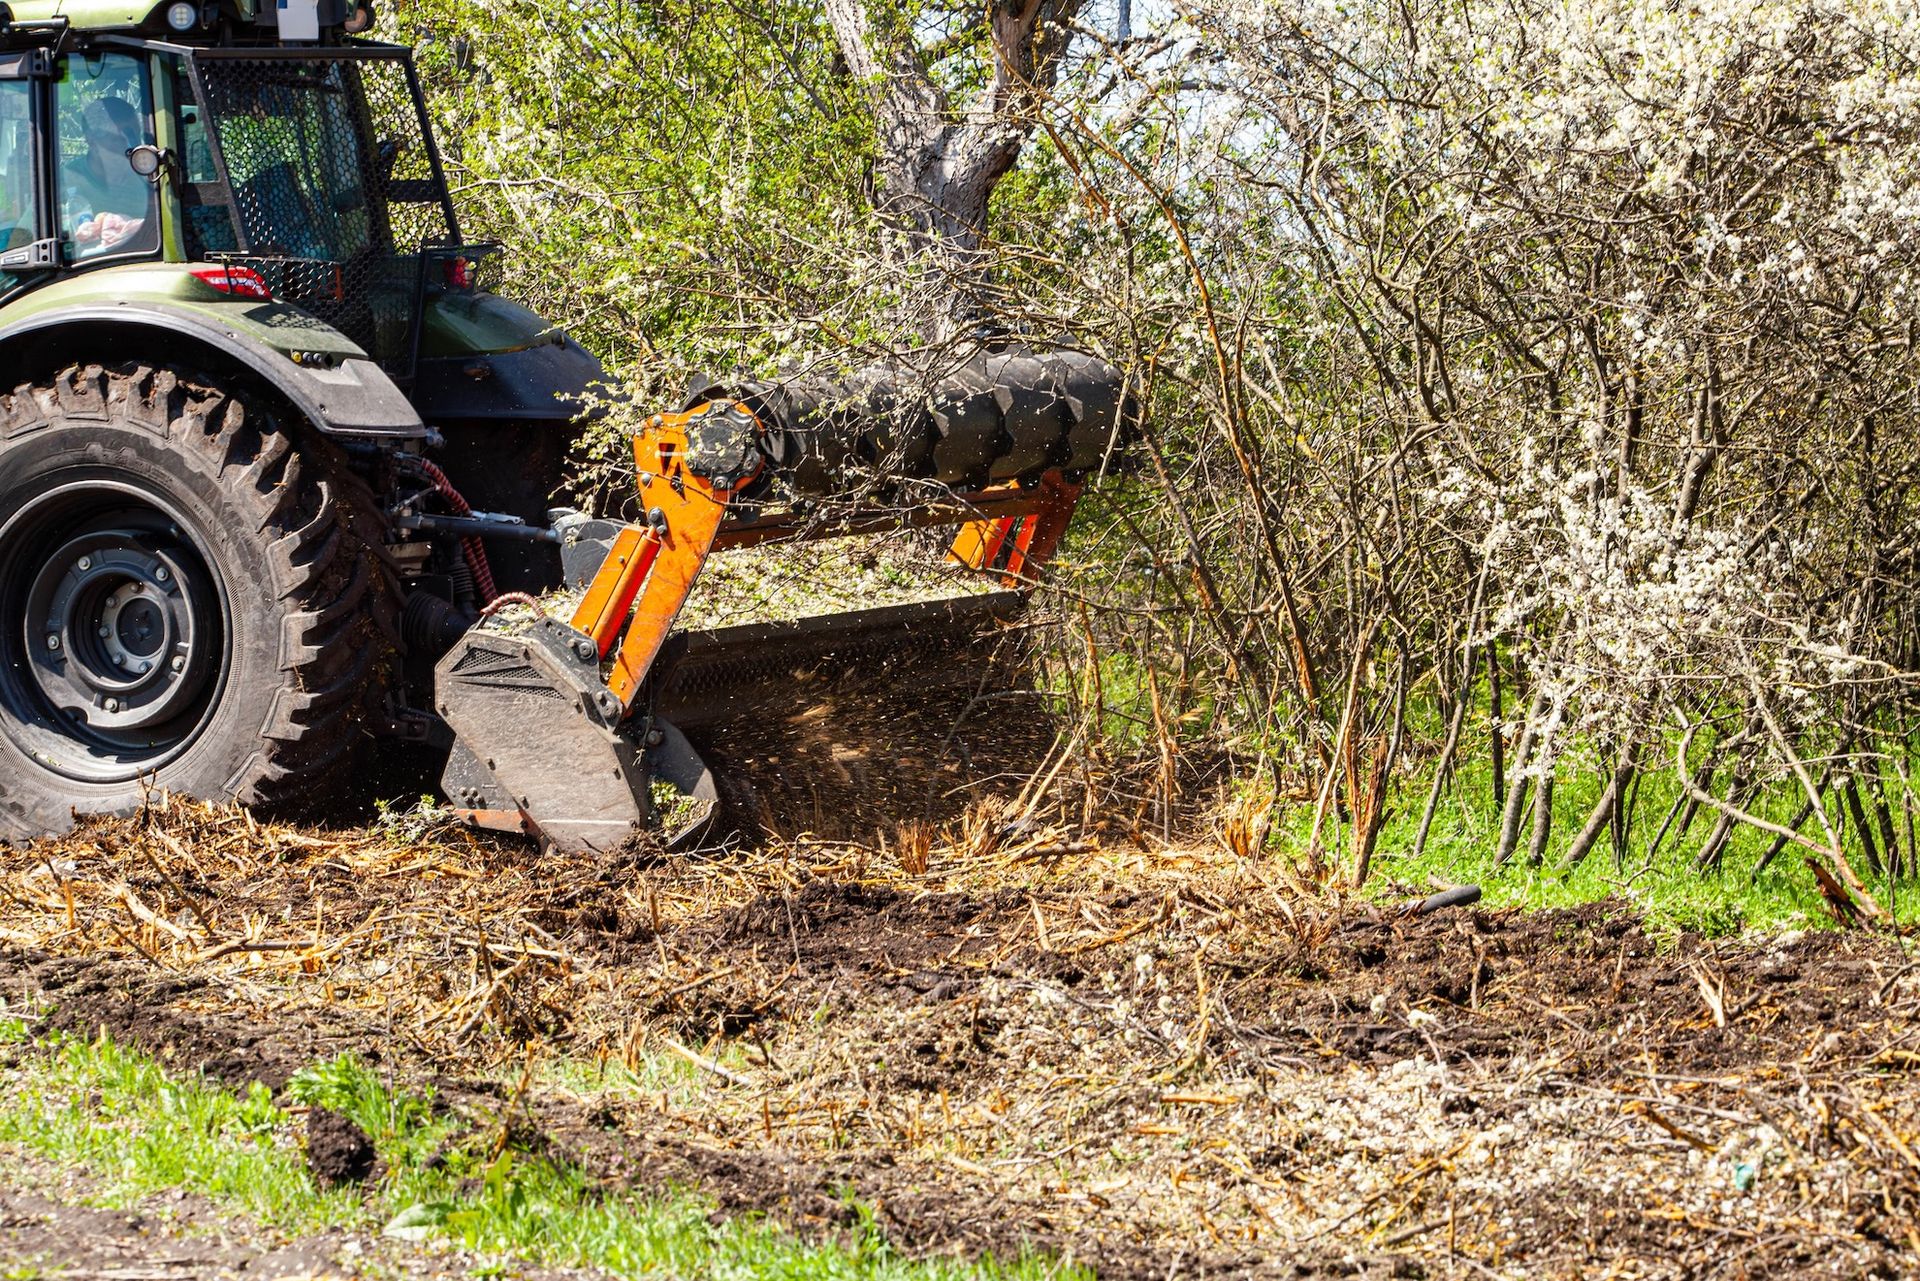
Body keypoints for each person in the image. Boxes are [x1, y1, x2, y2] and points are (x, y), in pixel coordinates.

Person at [63, 96, 152, 257]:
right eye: (117, 138)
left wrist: (134, 227)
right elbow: (27, 236)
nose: (130, 147)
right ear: (92, 141)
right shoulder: (65, 180)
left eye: (133, 136)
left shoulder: (150, 176)